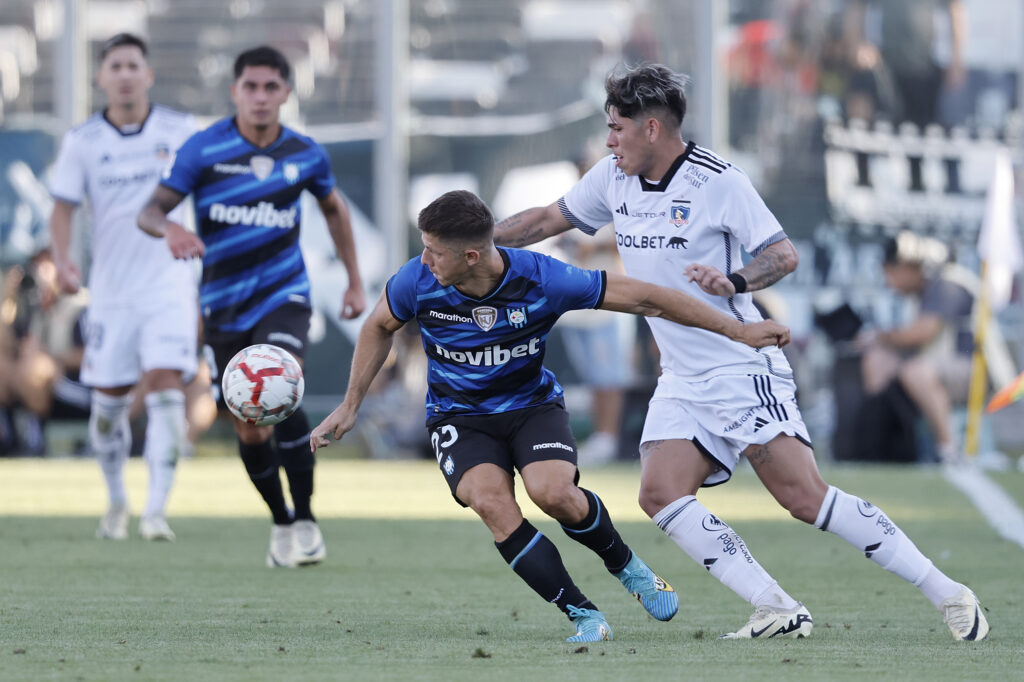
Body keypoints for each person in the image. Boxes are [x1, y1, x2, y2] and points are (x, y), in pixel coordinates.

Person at [491, 63, 988, 642]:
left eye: (617, 128)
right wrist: (478, 240)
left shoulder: (718, 181)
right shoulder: (612, 178)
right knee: (659, 492)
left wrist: (737, 281)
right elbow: (548, 219)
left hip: (740, 364)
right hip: (680, 375)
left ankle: (948, 593)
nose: (608, 140)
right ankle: (775, 605)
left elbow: (782, 254)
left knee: (804, 498)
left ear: (652, 128)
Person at [310, 189, 790, 642]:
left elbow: (648, 297)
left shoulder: (543, 278)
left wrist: (736, 330)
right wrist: (350, 405)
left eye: (435, 251)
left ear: (471, 256)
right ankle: (583, 614)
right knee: (491, 504)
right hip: (459, 417)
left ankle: (626, 565)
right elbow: (378, 325)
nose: (425, 260)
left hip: (531, 408)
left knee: (554, 493)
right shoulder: (416, 280)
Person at [137, 45, 366, 568]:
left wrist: (354, 281)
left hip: (283, 293)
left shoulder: (305, 152)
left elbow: (334, 208)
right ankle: (282, 523)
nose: (260, 97)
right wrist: (170, 228)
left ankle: (306, 519)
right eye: (251, 87)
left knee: (281, 383)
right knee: (248, 423)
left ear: (286, 92)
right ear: (235, 91)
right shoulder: (204, 149)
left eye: (271, 87)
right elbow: (150, 211)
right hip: (222, 306)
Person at [48, 33, 200, 540]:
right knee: (108, 406)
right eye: (115, 65)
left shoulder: (181, 130)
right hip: (111, 291)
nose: (126, 73)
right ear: (101, 77)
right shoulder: (83, 141)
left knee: (165, 388)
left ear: (148, 74)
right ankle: (116, 498)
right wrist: (65, 264)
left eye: (134, 64)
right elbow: (63, 208)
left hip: (170, 285)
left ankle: (156, 510)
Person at [858, 231, 974, 464]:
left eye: (892, 272)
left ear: (911, 267)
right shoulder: (919, 293)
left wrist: (878, 336)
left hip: (977, 370)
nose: (889, 282)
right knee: (878, 361)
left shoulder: (948, 283)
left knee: (916, 371)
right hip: (938, 365)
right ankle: (882, 447)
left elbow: (921, 333)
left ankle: (949, 452)